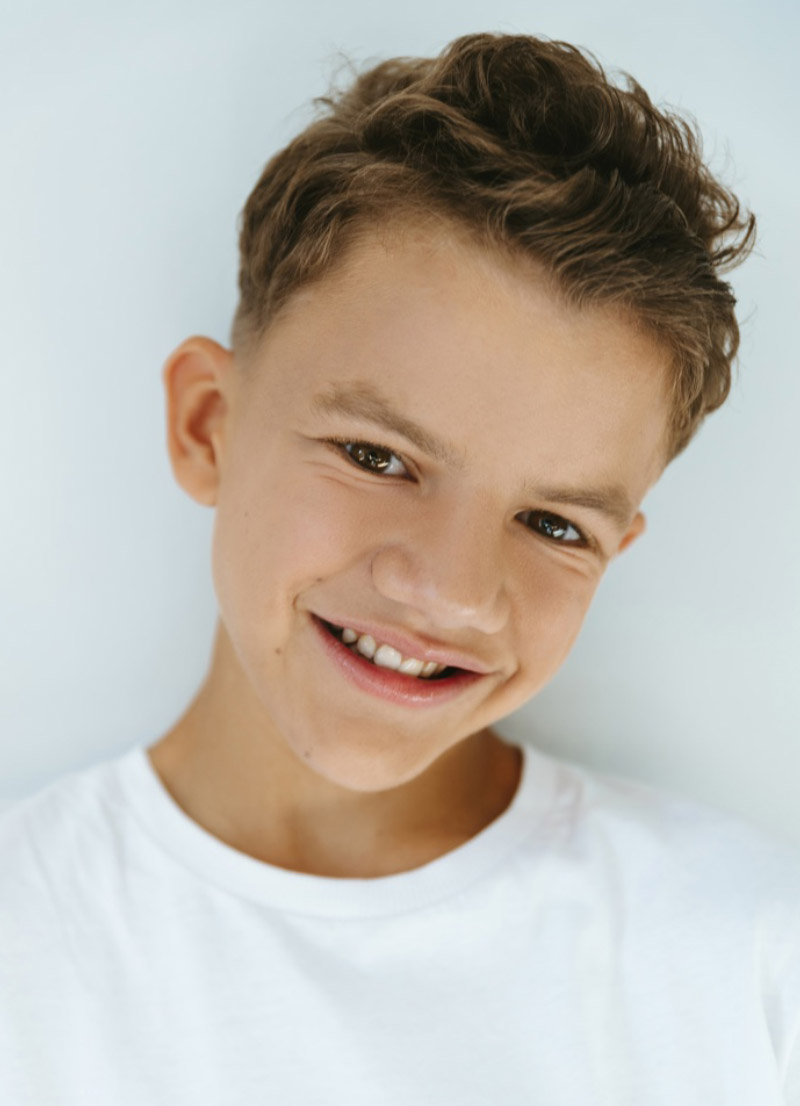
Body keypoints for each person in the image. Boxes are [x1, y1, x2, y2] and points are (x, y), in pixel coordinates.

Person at [1, 30, 798, 1105]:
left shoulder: (749, 967)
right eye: (377, 458)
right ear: (207, 426)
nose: (452, 590)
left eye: (554, 523)